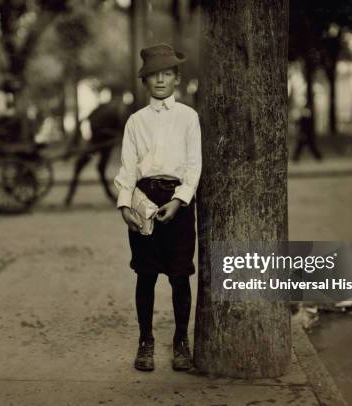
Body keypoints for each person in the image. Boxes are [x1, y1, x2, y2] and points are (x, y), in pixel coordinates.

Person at [114, 43, 202, 372]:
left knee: (180, 275)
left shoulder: (188, 118)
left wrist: (181, 200)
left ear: (177, 79)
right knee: (146, 274)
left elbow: (194, 165)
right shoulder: (136, 122)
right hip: (144, 199)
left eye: (167, 74)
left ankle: (181, 342)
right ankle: (145, 342)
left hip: (178, 201)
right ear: (144, 81)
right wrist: (126, 205)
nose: (161, 80)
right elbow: (127, 168)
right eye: (154, 75)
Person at [63, 89, 125, 206]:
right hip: (101, 143)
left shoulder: (101, 109)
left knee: (84, 167)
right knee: (97, 168)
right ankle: (70, 197)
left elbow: (88, 121)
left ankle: (69, 197)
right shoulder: (113, 112)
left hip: (96, 142)